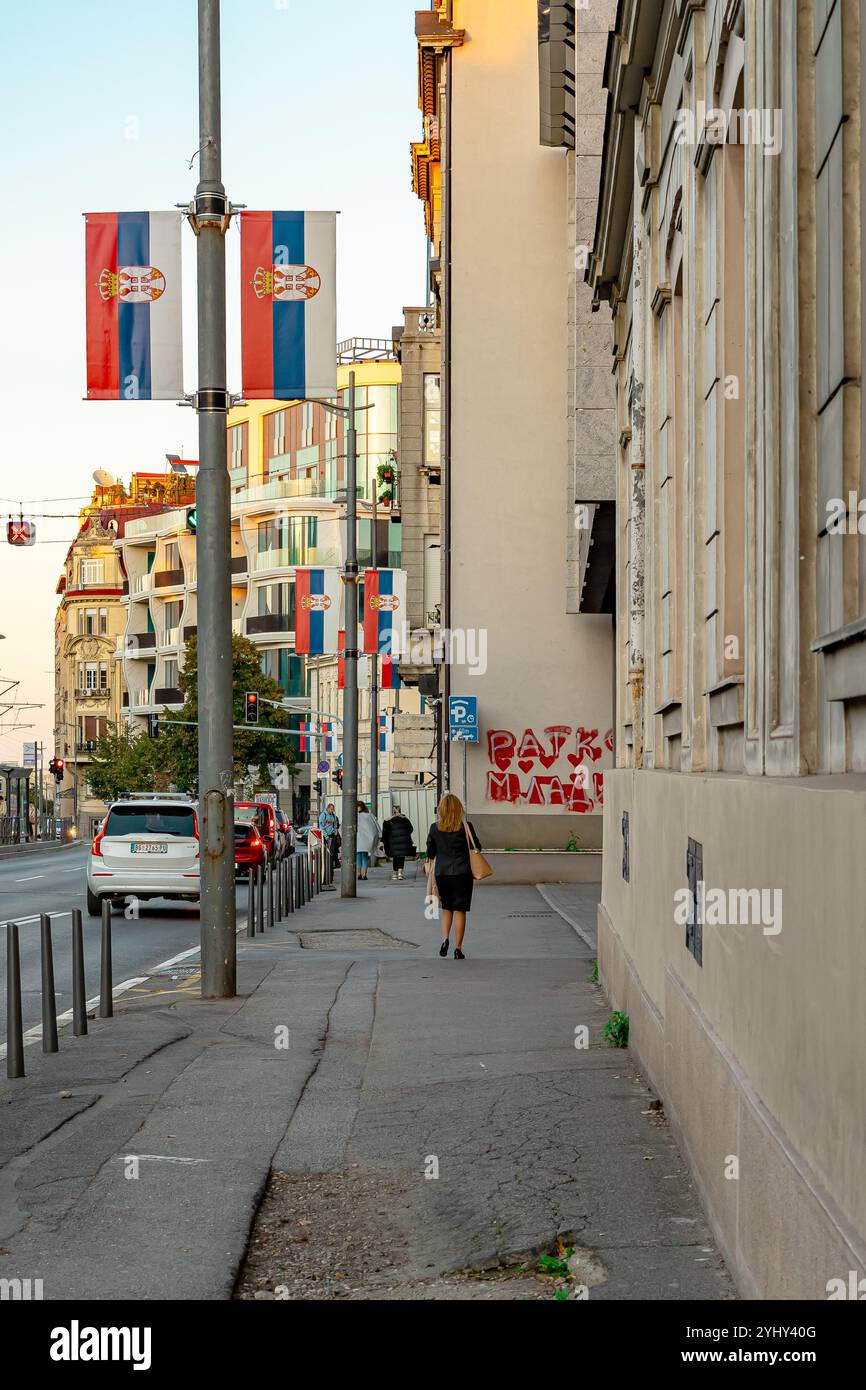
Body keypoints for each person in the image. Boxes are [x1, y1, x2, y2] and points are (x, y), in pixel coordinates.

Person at [426, 793, 482, 960]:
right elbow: (477, 846)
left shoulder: (434, 828)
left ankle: (445, 940)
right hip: (462, 873)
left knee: (447, 909)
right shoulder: (466, 827)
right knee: (460, 910)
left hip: (442, 873)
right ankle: (458, 949)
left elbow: (430, 852)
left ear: (441, 810)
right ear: (459, 809)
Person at [383, 806, 415, 881]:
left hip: (393, 842)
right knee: (401, 858)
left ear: (393, 812)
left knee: (395, 858)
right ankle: (400, 874)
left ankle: (394, 874)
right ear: (400, 811)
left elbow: (385, 831)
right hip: (403, 842)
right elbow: (411, 829)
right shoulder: (405, 820)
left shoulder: (388, 820)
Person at [355, 802, 380, 881]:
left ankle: (359, 874)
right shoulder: (369, 815)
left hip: (358, 839)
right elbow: (375, 826)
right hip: (366, 839)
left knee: (359, 857)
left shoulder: (354, 816)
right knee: (364, 857)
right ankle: (363, 874)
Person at [318, 802, 340, 868]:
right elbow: (321, 827)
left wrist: (335, 834)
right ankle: (327, 864)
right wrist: (326, 836)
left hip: (332, 835)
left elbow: (335, 826)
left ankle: (332, 864)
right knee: (327, 850)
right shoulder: (323, 815)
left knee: (333, 850)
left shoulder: (334, 816)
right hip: (325, 836)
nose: (332, 811)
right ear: (327, 808)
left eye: (333, 809)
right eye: (331, 809)